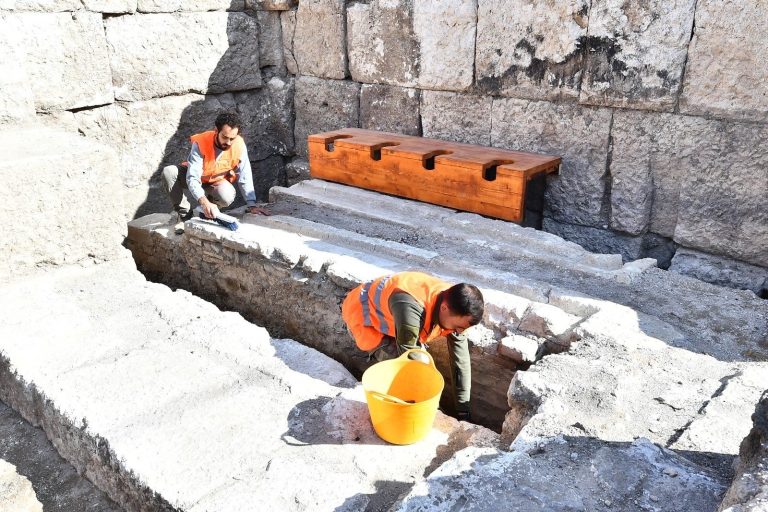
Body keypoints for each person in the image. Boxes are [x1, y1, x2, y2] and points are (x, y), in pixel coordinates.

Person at [342, 271, 484, 421]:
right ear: (444, 308)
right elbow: (411, 364)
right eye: (457, 327)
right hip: (365, 319)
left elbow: (460, 363)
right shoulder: (410, 306)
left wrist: (463, 412)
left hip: (396, 318)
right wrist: (434, 412)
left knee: (422, 364)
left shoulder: (458, 304)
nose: (459, 332)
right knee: (408, 372)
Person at [161, 111, 269, 232]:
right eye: (225, 137)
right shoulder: (201, 142)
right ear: (216, 131)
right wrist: (203, 201)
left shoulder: (239, 144)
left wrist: (252, 204)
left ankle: (208, 212)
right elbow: (192, 177)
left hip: (215, 181)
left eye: (232, 138)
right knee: (169, 172)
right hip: (194, 176)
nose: (228, 142)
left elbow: (245, 174)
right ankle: (185, 217)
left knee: (227, 195)